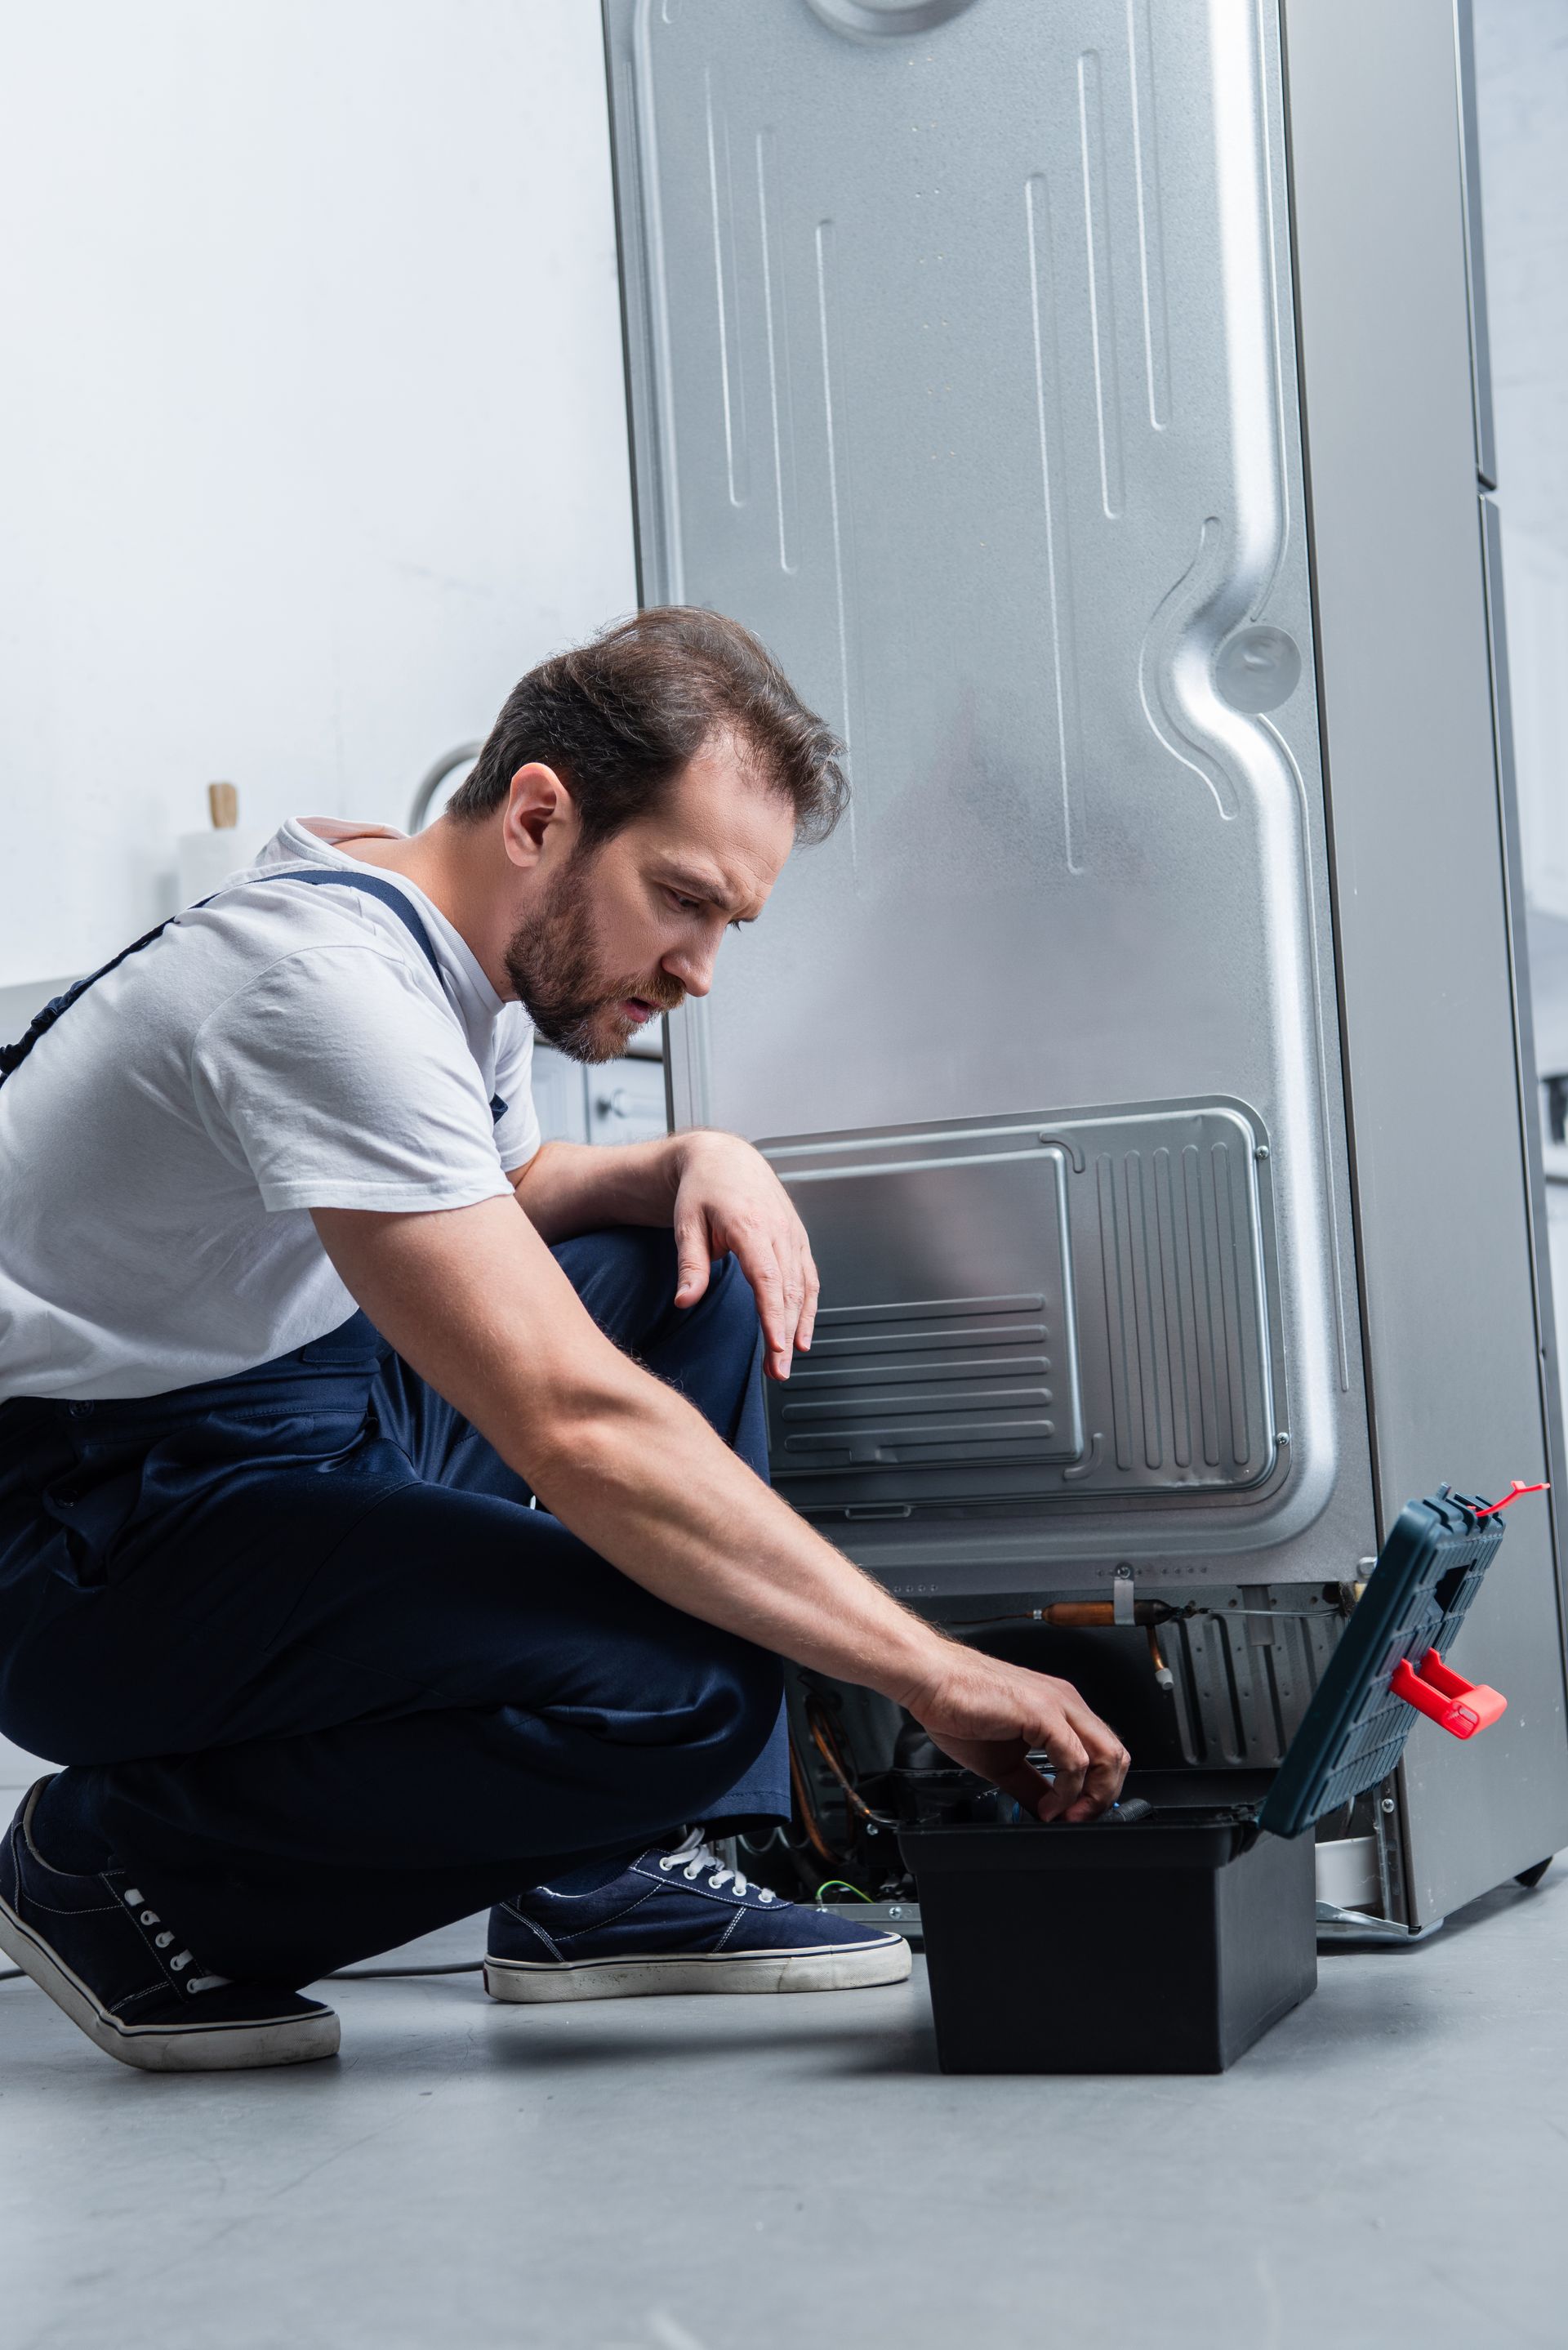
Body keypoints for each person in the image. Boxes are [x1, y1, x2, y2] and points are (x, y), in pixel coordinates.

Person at [0, 607, 1129, 2071]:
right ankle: (120, 1871)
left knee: (690, 1273)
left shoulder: (444, 938)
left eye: (729, 921)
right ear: (542, 810)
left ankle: (604, 1874)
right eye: (683, 899)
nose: (701, 965)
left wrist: (686, 1158)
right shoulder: (327, 990)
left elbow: (508, 1190)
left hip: (282, 1411)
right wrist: (931, 1669)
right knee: (694, 1679)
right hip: (85, 1534)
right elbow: (570, 1419)